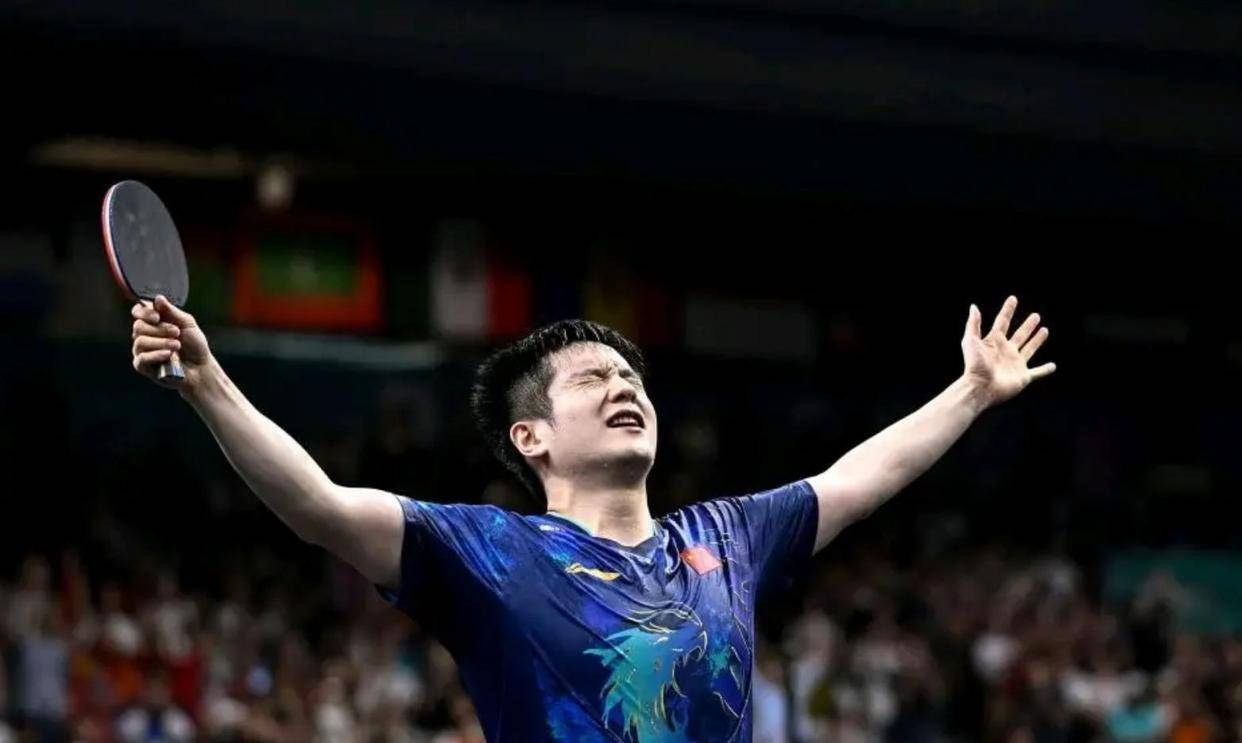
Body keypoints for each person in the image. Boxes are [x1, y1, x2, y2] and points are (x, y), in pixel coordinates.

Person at [128, 294, 1054, 742]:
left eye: (632, 377)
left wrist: (971, 391)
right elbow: (318, 505)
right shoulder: (487, 552)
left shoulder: (727, 537)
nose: (624, 387)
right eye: (593, 378)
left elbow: (859, 476)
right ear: (530, 436)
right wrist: (207, 382)